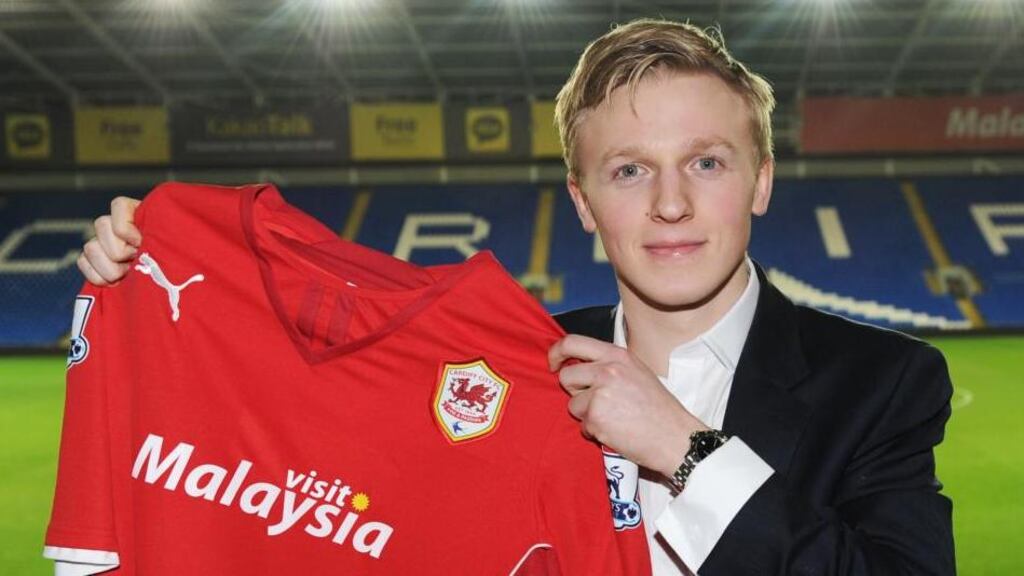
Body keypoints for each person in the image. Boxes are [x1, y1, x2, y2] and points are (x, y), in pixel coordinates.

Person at [76, 19, 955, 575]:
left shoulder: (883, 381)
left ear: (761, 180)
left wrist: (685, 450)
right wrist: (151, 286)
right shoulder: (502, 363)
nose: (672, 202)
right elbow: (292, 440)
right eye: (628, 170)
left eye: (708, 162)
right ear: (582, 202)